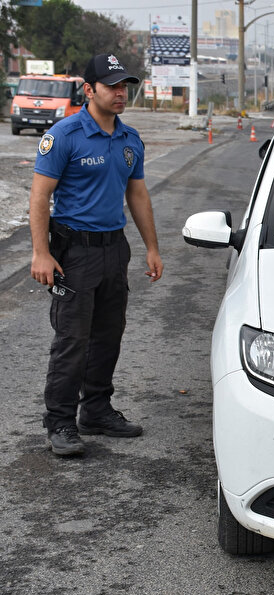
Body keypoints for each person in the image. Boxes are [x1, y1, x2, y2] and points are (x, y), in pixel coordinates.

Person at [29, 53, 164, 456]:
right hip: (75, 253)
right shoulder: (65, 135)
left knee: (108, 335)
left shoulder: (130, 139)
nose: (121, 93)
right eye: (112, 86)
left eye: (125, 86)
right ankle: (59, 423)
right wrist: (39, 253)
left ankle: (97, 411)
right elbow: (40, 196)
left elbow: (137, 194)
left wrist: (152, 247)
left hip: (113, 249)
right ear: (89, 90)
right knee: (73, 339)